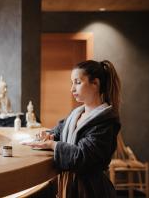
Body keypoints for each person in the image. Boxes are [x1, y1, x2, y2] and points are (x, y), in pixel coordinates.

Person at [23, 60, 121, 198]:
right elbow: (58, 132)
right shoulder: (75, 115)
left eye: (78, 82)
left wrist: (52, 144)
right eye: (72, 83)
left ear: (95, 83)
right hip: (68, 186)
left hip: (90, 190)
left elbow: (82, 156)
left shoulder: (105, 122)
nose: (72, 89)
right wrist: (49, 135)